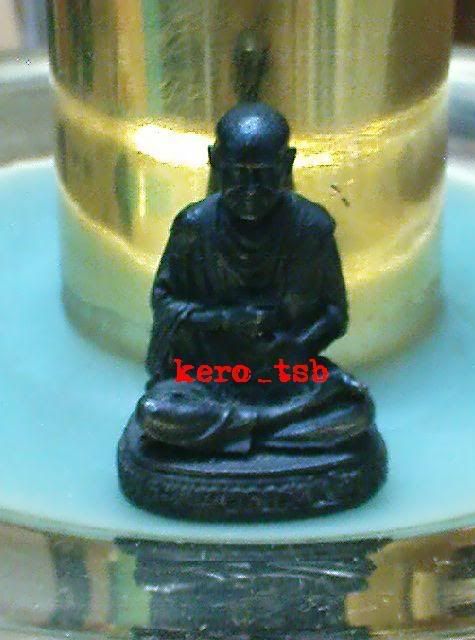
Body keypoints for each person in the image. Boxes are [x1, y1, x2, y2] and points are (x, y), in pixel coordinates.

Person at [137, 102, 374, 455]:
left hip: (286, 377)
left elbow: (334, 314)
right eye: (238, 173)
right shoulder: (195, 226)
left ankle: (236, 432)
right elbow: (164, 302)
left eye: (263, 174)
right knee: (156, 413)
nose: (250, 189)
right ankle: (272, 426)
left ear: (287, 164)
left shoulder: (312, 227)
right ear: (216, 162)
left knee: (356, 413)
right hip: (207, 377)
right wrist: (225, 320)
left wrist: (295, 347)